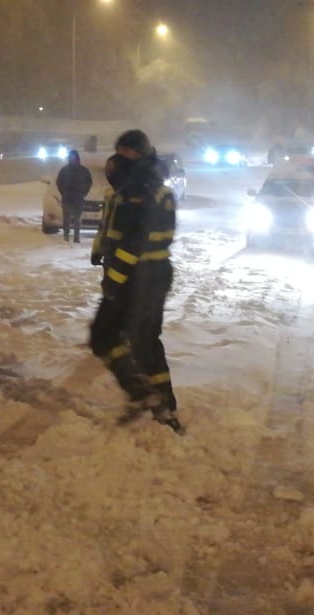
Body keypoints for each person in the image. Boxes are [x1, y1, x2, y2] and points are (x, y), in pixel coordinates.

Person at [97, 129, 183, 434]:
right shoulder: (149, 188)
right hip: (147, 274)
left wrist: (115, 281)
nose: (119, 159)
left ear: (140, 153)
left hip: (141, 277)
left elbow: (134, 242)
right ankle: (160, 404)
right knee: (142, 341)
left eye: (126, 153)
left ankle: (150, 398)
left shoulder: (143, 191)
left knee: (116, 337)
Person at [55, 149, 93, 243]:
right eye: (70, 158)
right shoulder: (64, 170)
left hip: (78, 198)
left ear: (77, 159)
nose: (71, 159)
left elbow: (88, 183)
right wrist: (64, 192)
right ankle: (66, 236)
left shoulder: (83, 171)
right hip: (67, 198)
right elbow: (59, 182)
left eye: (73, 158)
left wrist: (83, 193)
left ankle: (76, 237)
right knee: (66, 219)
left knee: (77, 220)